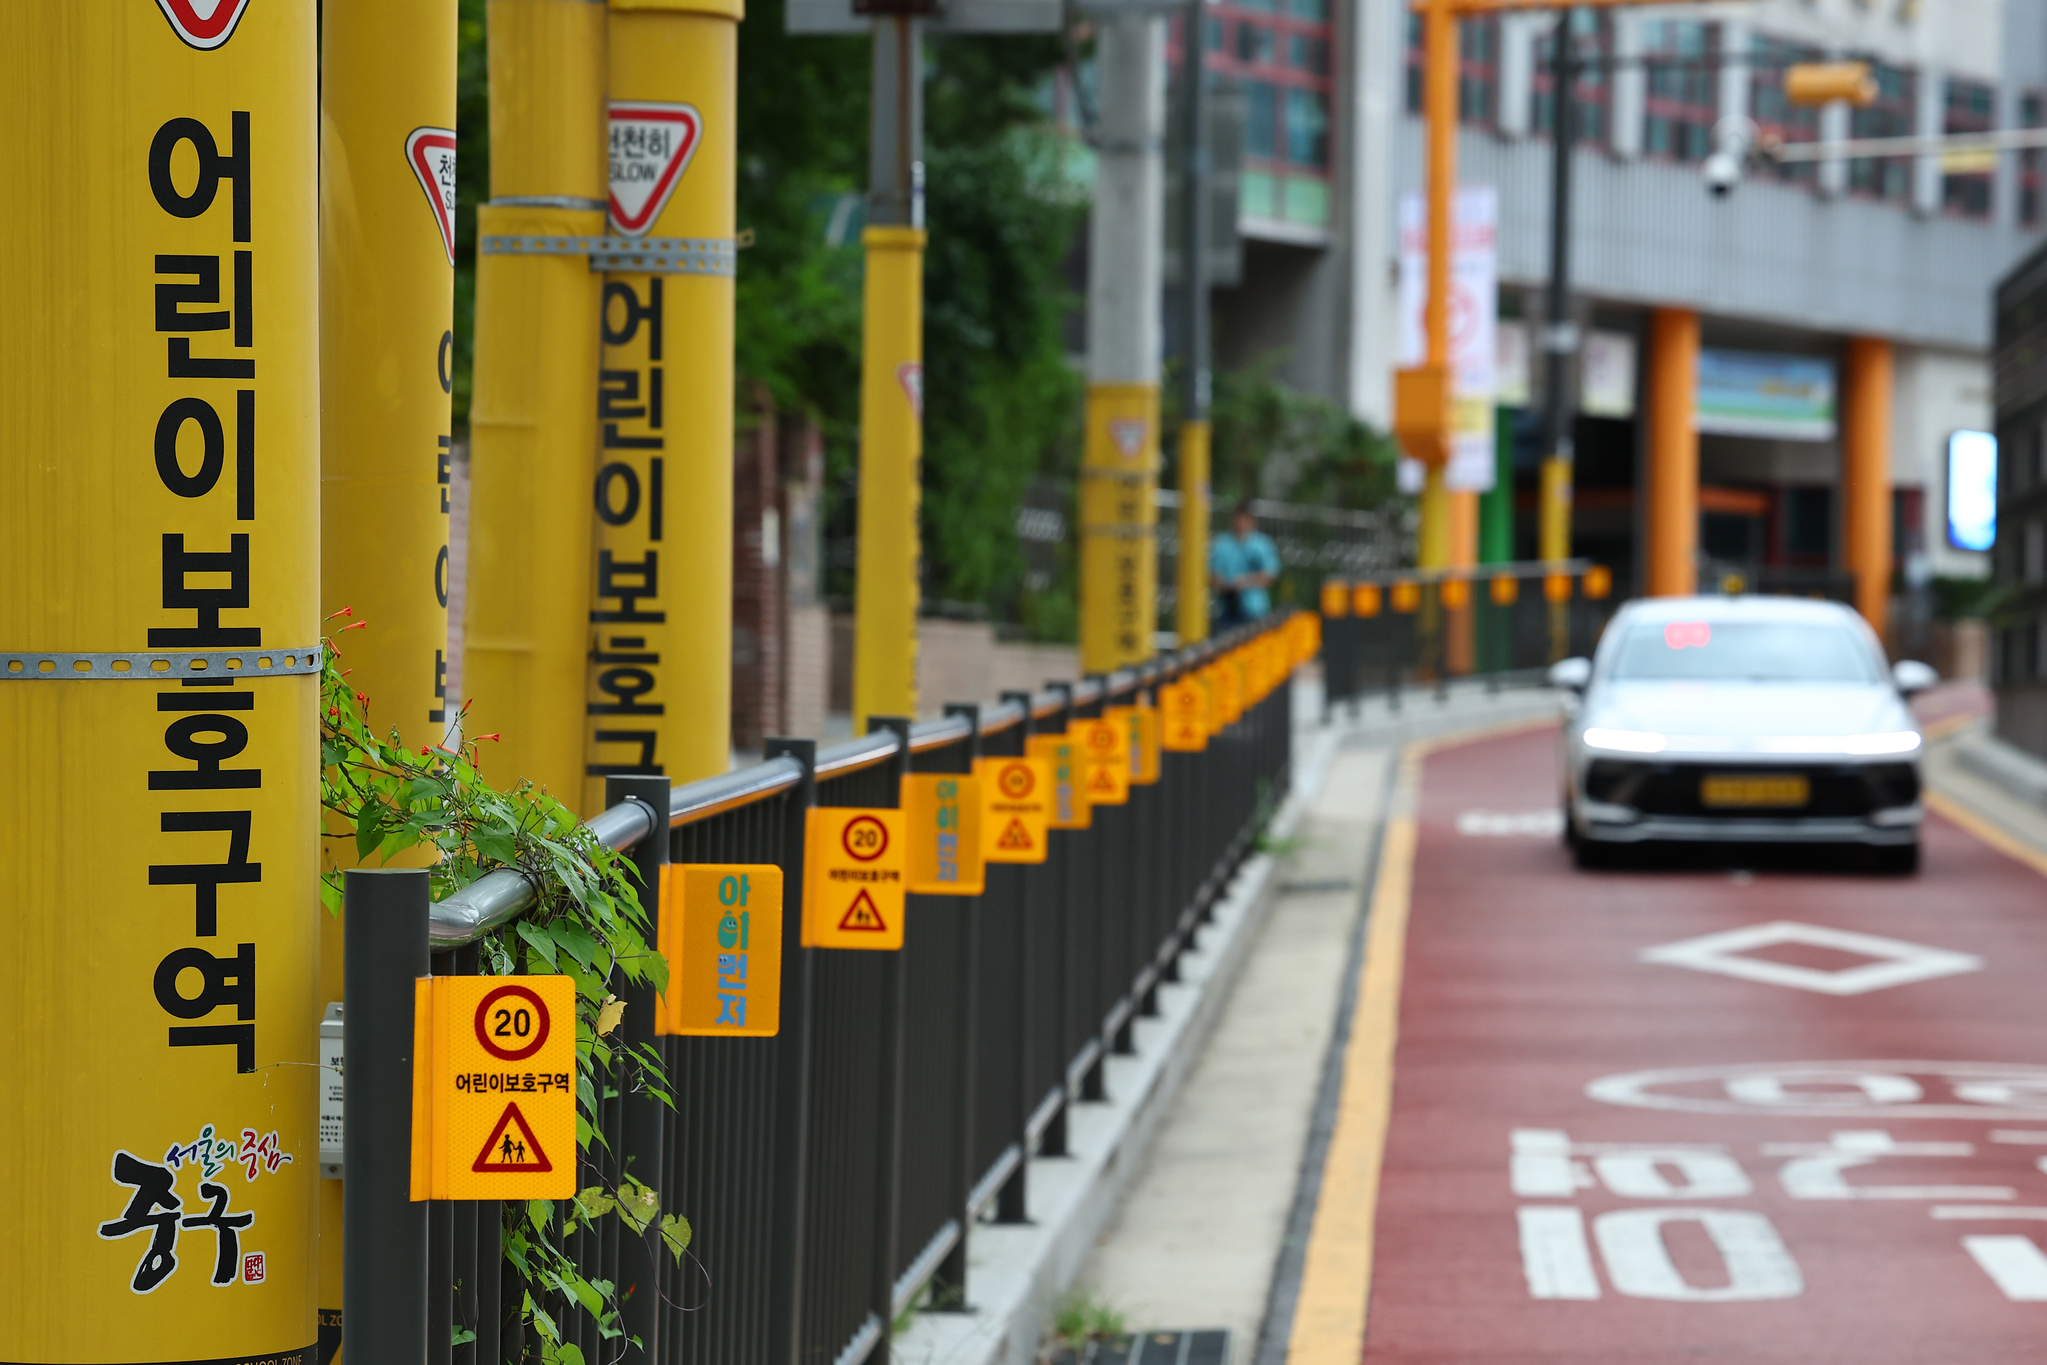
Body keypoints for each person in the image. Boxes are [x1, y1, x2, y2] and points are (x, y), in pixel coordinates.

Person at [1209, 499, 1280, 629]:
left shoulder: (1262, 545)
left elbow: (1270, 575)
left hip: (1255, 611)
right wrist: (1227, 586)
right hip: (1228, 610)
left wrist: (1246, 582)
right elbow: (1214, 576)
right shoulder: (1222, 544)